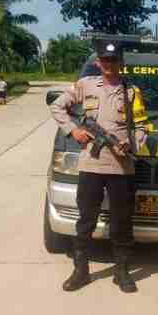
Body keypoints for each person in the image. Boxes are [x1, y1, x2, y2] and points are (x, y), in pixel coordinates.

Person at [49, 40, 148, 293]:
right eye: (105, 60)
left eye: (114, 60)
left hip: (121, 167)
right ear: (98, 62)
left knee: (121, 221)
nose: (109, 65)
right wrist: (74, 131)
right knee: (86, 219)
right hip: (91, 165)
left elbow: (142, 126)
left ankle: (122, 271)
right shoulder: (85, 85)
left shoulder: (132, 92)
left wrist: (130, 144)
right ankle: (81, 271)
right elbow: (57, 106)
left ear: (121, 63)